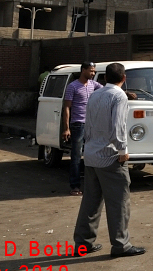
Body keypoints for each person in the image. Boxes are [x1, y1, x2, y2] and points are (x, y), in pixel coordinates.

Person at [73, 63, 146, 258]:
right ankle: (121, 245)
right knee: (119, 202)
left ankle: (83, 243)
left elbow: (87, 125)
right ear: (123, 78)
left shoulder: (95, 94)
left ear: (105, 78)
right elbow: (118, 127)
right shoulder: (119, 96)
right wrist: (123, 150)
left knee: (91, 202)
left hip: (91, 154)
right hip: (110, 156)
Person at [61, 62, 100, 196]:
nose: (93, 74)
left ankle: (91, 186)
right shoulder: (73, 87)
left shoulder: (93, 85)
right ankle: (75, 186)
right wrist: (66, 128)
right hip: (78, 124)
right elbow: (67, 107)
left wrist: (126, 93)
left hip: (91, 124)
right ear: (83, 70)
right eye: (91, 71)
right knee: (76, 156)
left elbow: (108, 89)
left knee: (92, 155)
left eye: (94, 71)